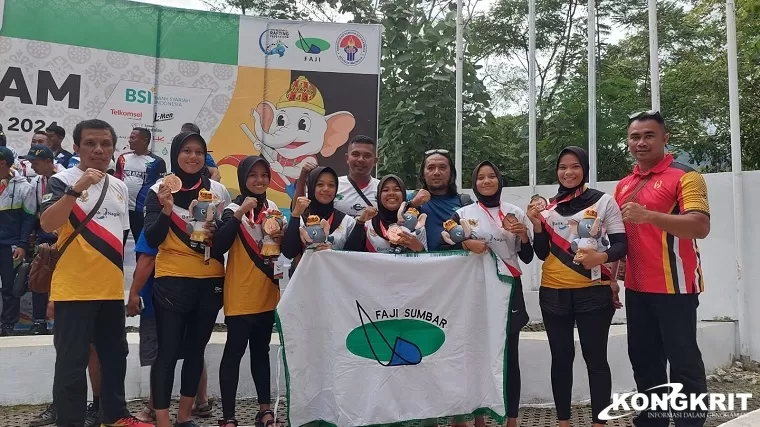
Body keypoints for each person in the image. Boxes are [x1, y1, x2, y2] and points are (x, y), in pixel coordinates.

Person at [39, 119, 151, 427]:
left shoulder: (118, 186)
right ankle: (70, 421)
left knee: (115, 358)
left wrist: (127, 288)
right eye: (90, 143)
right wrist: (77, 189)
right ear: (76, 147)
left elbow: (122, 237)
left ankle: (115, 417)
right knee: (71, 364)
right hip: (74, 289)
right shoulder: (63, 180)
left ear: (114, 149)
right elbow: (47, 224)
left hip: (110, 289)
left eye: (105, 144)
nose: (98, 150)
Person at [615, 111, 710, 427]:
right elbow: (620, 238)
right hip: (637, 288)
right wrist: (612, 278)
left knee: (683, 365)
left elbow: (699, 226)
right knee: (644, 362)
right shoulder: (624, 185)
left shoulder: (687, 176)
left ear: (665, 138)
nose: (641, 142)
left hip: (676, 288)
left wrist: (651, 216)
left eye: (649, 135)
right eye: (635, 136)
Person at [528, 146, 627, 427]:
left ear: (584, 169)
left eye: (574, 166)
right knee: (561, 359)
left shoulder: (604, 201)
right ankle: (563, 422)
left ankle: (599, 422)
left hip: (594, 293)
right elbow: (542, 253)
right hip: (553, 293)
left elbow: (621, 244)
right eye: (562, 167)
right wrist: (537, 225)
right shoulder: (547, 207)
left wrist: (602, 257)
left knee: (596, 360)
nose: (568, 172)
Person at [142, 131, 230, 427]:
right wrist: (166, 209)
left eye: (199, 152)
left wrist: (220, 229)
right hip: (172, 280)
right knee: (167, 351)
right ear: (176, 154)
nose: (193, 157)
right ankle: (163, 419)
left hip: (210, 280)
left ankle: (184, 417)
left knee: (196, 350)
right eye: (186, 151)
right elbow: (152, 238)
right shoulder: (159, 189)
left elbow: (225, 234)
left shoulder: (218, 189)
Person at [448, 161, 534, 427]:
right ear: (474, 183)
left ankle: (511, 419)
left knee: (509, 355)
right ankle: (479, 416)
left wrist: (525, 236)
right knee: (474, 353)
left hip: (509, 289)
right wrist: (464, 241)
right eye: (481, 177)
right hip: (475, 291)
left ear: (499, 180)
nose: (486, 181)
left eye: (491, 176)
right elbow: (449, 247)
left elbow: (528, 257)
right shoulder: (462, 213)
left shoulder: (515, 212)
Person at [213, 156, 283, 427]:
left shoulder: (273, 207)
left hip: (267, 290)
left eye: (264, 175)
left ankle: (264, 410)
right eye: (252, 175)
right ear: (243, 178)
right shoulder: (232, 208)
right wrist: (241, 212)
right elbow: (219, 245)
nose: (259, 180)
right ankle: (229, 417)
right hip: (240, 292)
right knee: (233, 352)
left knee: (261, 352)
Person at [126, 230, 215, 424]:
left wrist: (133, 292)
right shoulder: (196, 224)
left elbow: (147, 258)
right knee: (194, 350)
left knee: (162, 355)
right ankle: (200, 401)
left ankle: (153, 409)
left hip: (160, 299)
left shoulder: (158, 224)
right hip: (194, 293)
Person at [19, 145, 61, 335]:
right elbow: (35, 211)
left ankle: (60, 321)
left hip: (63, 238)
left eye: (36, 163)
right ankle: (38, 320)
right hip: (43, 237)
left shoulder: (65, 178)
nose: (33, 167)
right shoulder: (36, 181)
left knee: (61, 280)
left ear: (48, 161)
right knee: (39, 278)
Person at [292, 135, 379, 217]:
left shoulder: (383, 190)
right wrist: (302, 178)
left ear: (375, 161)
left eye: (367, 156)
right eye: (355, 154)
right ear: (347, 158)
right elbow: (297, 211)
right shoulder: (331, 186)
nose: (361, 159)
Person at [282, 166, 357, 262]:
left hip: (336, 276)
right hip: (304, 276)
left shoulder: (347, 222)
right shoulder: (300, 218)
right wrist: (295, 215)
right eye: (320, 184)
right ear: (312, 186)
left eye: (331, 185)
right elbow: (289, 253)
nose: (326, 189)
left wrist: (333, 252)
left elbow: (354, 259)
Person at [406, 149, 473, 251]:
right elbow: (392, 226)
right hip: (419, 264)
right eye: (431, 168)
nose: (436, 172)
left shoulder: (464, 202)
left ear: (451, 173)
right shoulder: (410, 199)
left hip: (458, 265)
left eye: (442, 167)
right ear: (423, 174)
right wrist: (413, 204)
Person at [0, 146, 36, 336]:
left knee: (9, 287)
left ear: (3, 163)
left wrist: (22, 245)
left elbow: (28, 219)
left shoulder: (24, 187)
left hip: (10, 245)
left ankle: (8, 325)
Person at [344, 174, 426, 253]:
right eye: (385, 190)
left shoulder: (416, 224)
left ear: (404, 195)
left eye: (397, 189)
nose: (391, 193)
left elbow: (427, 262)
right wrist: (360, 223)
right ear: (379, 196)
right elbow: (349, 255)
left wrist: (419, 248)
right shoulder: (368, 224)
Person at [114, 127, 167, 244]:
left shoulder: (157, 162)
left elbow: (160, 187)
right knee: (117, 244)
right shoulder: (123, 158)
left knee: (142, 245)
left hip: (142, 211)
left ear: (144, 140)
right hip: (122, 209)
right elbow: (116, 181)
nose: (129, 140)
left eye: (133, 138)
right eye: (130, 138)